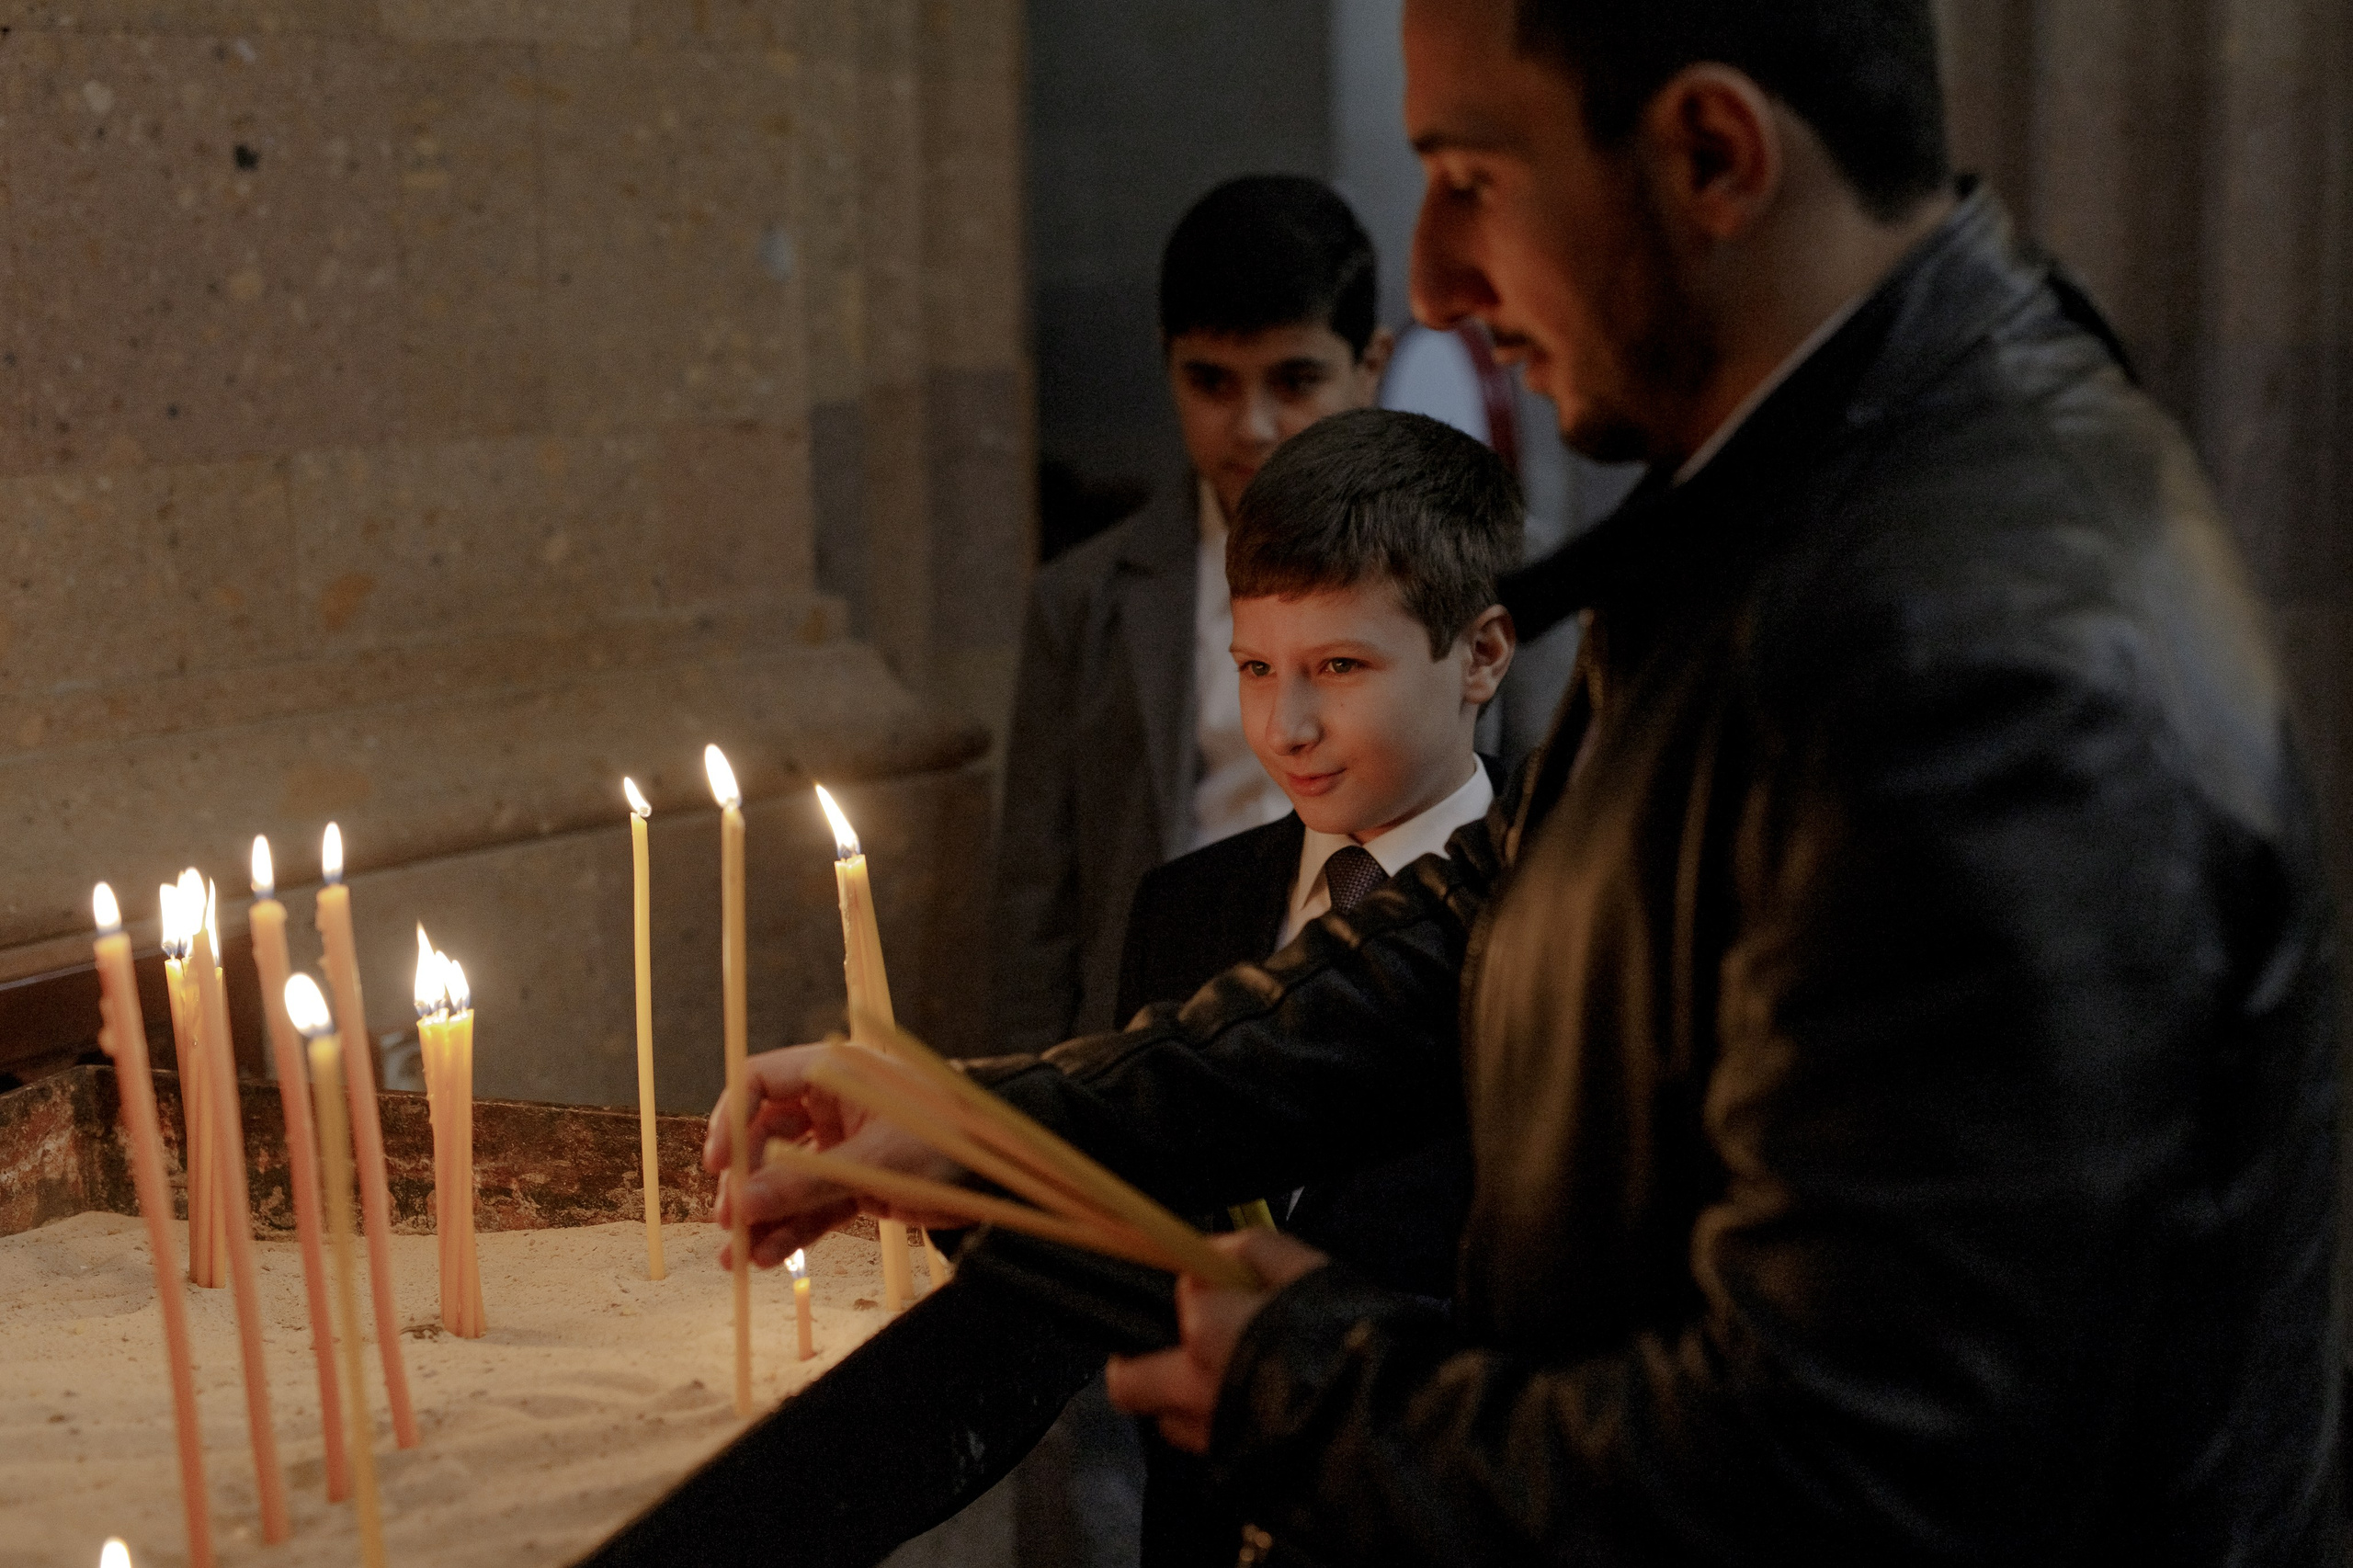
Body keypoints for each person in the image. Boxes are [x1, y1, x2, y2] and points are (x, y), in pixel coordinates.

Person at [716, 2, 2342, 1562]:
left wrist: (1309, 1386)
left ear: (1712, 154)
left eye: (1472, 178)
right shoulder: (1798, 477)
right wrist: (996, 1117)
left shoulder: (1985, 652)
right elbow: (1498, 915)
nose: (1433, 273)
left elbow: (1860, 1473)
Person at [1114, 407, 1517, 1566]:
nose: (1282, 727)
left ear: (1480, 654)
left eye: (1338, 667)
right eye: (1254, 668)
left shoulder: (1560, 914)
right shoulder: (1182, 909)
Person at [989, 176, 1395, 1060]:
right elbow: (1036, 913)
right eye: (1210, 381)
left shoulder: (1488, 570)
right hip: (1155, 1042)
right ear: (1166, 362)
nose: (1250, 426)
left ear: (1371, 365)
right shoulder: (1088, 599)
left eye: (1294, 381)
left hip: (1391, 1031)